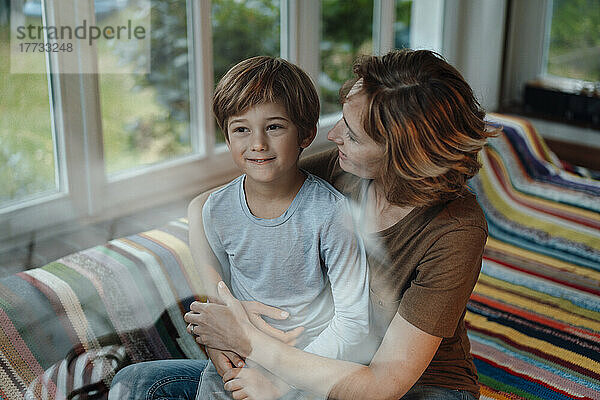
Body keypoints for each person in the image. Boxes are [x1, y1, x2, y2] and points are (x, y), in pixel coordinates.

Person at [112, 48, 496, 400]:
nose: (333, 136)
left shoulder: (456, 230)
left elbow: (383, 384)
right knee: (136, 385)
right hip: (307, 358)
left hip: (412, 386)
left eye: (353, 134)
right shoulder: (342, 168)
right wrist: (222, 309)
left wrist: (255, 352)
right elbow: (204, 207)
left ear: (403, 155)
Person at [109, 56, 370, 400]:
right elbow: (222, 300)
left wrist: (287, 380)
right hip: (237, 362)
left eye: (274, 127)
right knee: (132, 385)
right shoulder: (216, 210)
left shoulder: (332, 214)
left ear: (306, 133)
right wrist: (222, 352)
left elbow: (353, 324)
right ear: (227, 137)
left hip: (308, 367)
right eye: (241, 129)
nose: (258, 143)